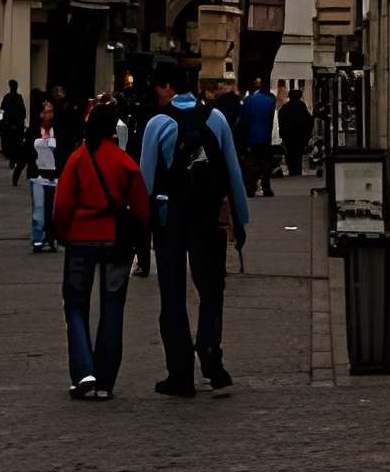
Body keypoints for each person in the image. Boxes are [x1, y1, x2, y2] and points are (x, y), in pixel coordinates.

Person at [140, 63, 249, 398]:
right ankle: (213, 362)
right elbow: (233, 172)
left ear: (168, 87)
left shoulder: (157, 124)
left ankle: (180, 373)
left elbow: (145, 181)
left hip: (170, 216)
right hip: (207, 216)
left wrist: (141, 226)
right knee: (211, 290)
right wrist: (239, 220)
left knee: (172, 294)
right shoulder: (216, 119)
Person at [52, 99, 151, 399]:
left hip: (80, 238)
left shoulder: (78, 158)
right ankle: (105, 380)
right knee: (113, 307)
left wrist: (61, 233)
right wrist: (142, 242)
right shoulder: (124, 162)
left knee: (75, 306)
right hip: (116, 240)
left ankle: (84, 373)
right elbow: (141, 209)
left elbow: (63, 203)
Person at [23, 98, 61, 251]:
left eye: (51, 112)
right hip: (37, 175)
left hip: (54, 174)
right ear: (40, 114)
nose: (48, 116)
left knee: (53, 209)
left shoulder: (57, 131)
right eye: (45, 112)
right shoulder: (32, 131)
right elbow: (26, 151)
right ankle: (38, 240)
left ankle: (51, 239)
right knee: (39, 209)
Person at [239, 76, 277, 198]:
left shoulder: (247, 101)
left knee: (251, 163)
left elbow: (244, 121)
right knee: (265, 163)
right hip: (265, 136)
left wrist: (243, 139)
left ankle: (251, 188)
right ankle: (266, 188)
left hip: (251, 136)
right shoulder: (270, 100)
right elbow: (271, 121)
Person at [278, 86, 312, 178]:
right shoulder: (301, 106)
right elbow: (308, 120)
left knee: (290, 152)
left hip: (288, 135)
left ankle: (291, 170)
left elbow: (281, 119)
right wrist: (308, 134)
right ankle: (297, 170)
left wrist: (282, 134)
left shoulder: (285, 107)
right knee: (298, 153)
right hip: (299, 134)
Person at [0, 78, 28, 173]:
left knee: (12, 144)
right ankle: (15, 160)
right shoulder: (18, 98)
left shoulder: (7, 97)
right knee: (16, 143)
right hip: (16, 124)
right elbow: (23, 112)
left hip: (11, 124)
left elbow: (3, 110)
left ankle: (13, 160)